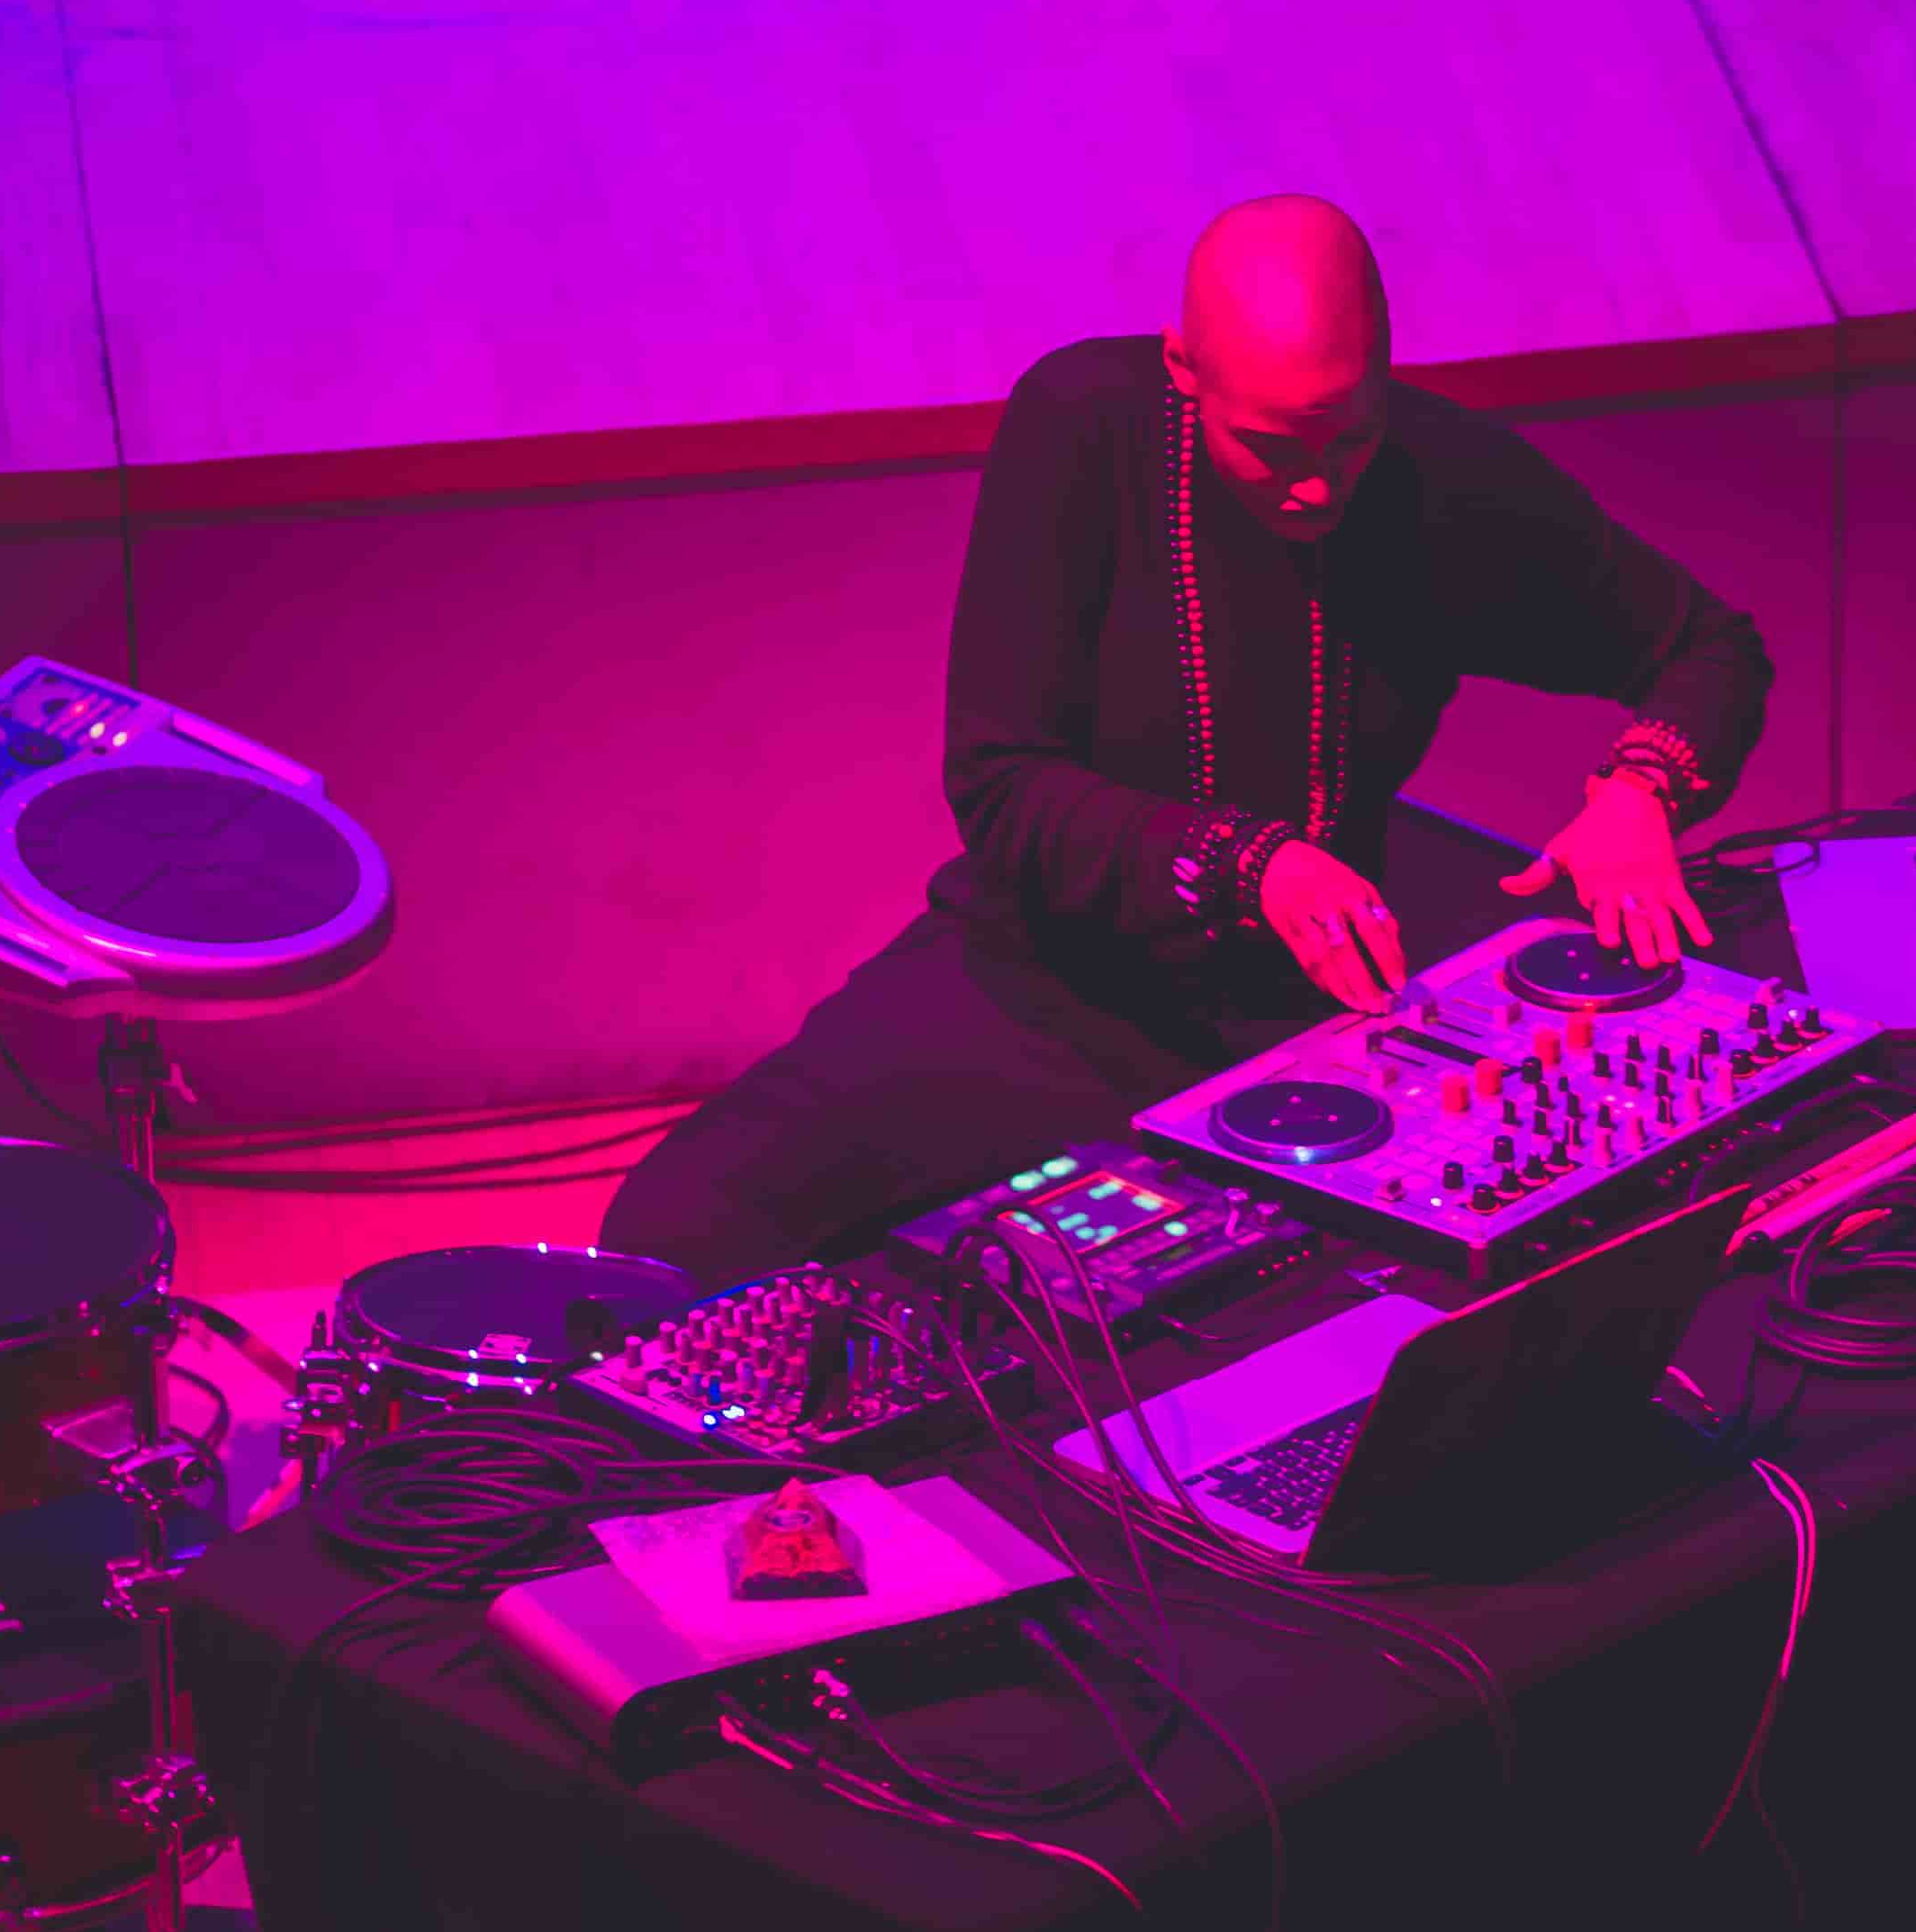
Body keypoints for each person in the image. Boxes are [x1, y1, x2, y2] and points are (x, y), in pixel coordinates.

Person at [597, 195, 1774, 1286]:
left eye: (1348, 441)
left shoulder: (1445, 475)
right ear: (1184, 368)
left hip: (1316, 1004)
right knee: (675, 1234)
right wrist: (1248, 862)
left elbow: (1708, 647)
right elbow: (1003, 787)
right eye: (1273, 448)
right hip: (1046, 976)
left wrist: (1642, 789)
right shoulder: (1085, 428)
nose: (1317, 491)